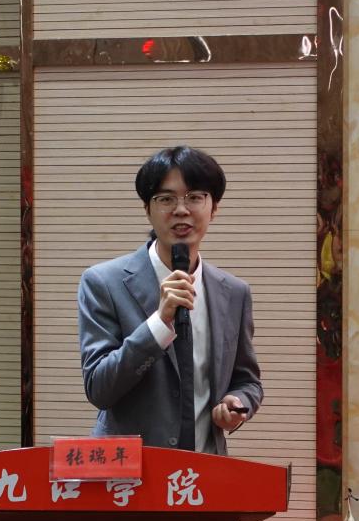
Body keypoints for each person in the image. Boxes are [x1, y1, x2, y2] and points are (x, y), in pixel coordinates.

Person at [77, 146, 263, 455]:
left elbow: (248, 381)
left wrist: (237, 404)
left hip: (202, 469)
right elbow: (99, 388)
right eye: (166, 199)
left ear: (214, 208)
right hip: (130, 472)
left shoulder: (234, 293)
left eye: (195, 197)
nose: (181, 210)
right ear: (147, 209)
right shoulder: (103, 283)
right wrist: (158, 323)